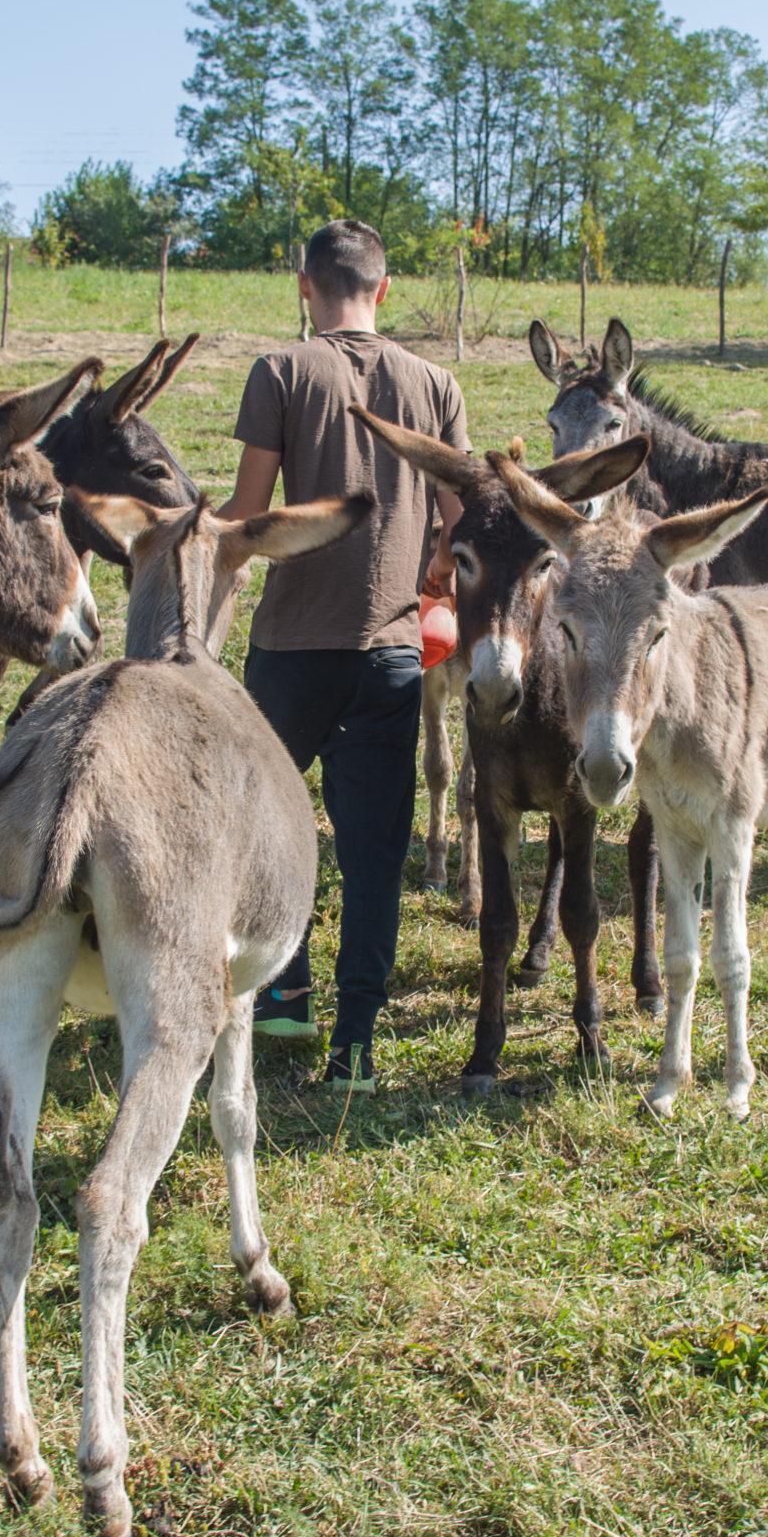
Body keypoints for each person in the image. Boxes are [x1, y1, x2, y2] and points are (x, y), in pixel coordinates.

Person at [219, 219, 468, 1094]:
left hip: (289, 649)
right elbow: (459, 516)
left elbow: (251, 518)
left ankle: (282, 994)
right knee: (373, 853)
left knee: (259, 832)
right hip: (393, 652)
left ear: (304, 286)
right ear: (384, 290)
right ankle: (354, 1048)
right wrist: (431, 574)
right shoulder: (436, 383)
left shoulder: (281, 371)